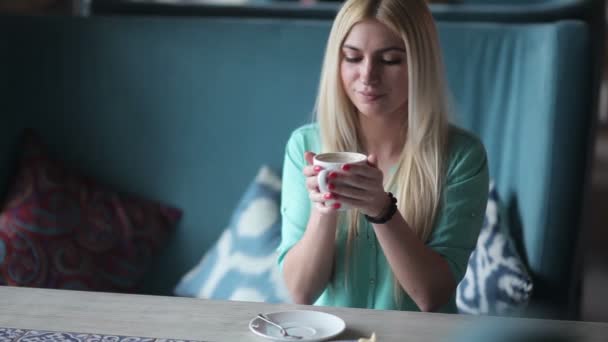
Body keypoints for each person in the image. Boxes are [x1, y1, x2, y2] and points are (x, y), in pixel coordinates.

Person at [277, 0, 489, 313]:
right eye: (352, 57)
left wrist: (382, 210)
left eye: (390, 60)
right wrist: (324, 207)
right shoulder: (305, 145)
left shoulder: (461, 156)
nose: (367, 76)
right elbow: (301, 291)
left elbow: (431, 295)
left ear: (420, 64)